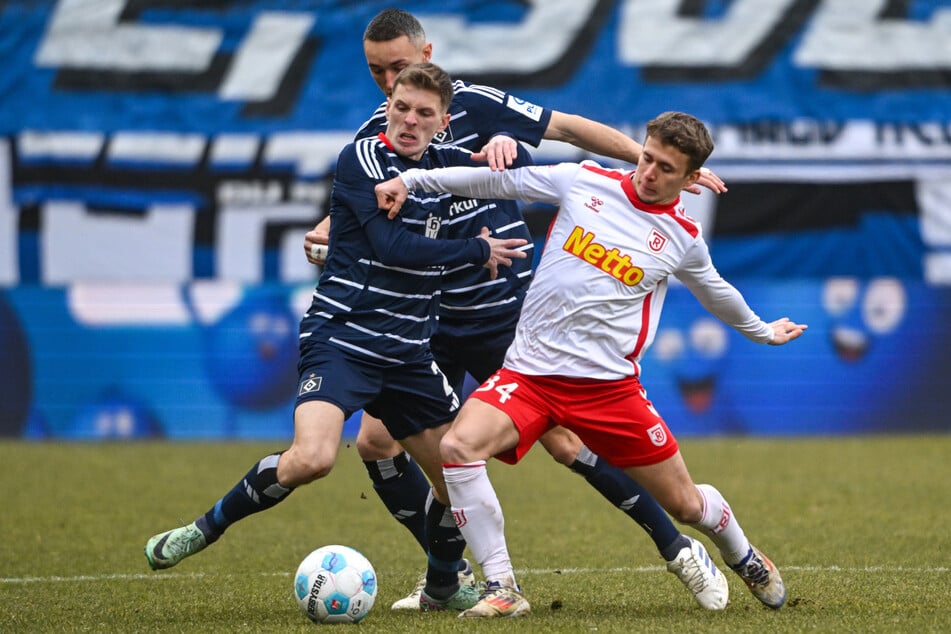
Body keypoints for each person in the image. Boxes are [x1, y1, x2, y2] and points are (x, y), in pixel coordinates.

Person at [305, 8, 730, 611]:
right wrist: (326, 227)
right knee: (376, 443)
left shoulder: (475, 105)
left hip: (501, 312)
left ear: (427, 53)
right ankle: (446, 577)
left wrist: (656, 165)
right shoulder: (380, 131)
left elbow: (575, 130)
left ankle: (679, 549)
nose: (389, 81)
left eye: (399, 65)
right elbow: (366, 204)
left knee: (563, 442)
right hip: (428, 320)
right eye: (378, 71)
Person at [375, 111, 807, 617]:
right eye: (647, 157)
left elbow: (716, 290)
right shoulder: (583, 180)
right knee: (458, 447)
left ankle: (744, 555)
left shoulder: (682, 237)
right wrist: (412, 177)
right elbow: (496, 180)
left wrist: (762, 331)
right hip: (529, 375)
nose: (648, 173)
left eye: (666, 168)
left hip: (609, 390)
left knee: (687, 505)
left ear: (690, 180)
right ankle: (503, 587)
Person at [144, 63, 531, 612]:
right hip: (343, 337)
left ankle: (444, 583)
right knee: (313, 459)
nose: (410, 122)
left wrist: (505, 143)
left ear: (443, 122)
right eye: (402, 108)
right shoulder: (363, 159)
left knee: (456, 474)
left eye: (425, 114)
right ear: (388, 106)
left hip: (408, 352)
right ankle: (203, 529)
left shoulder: (446, 167)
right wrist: (475, 250)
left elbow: (518, 176)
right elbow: (393, 247)